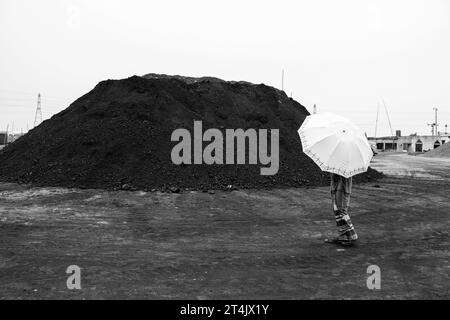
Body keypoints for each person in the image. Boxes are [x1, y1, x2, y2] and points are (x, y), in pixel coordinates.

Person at [325, 173, 358, 246]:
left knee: (342, 211)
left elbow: (346, 179)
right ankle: (343, 236)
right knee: (337, 211)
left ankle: (352, 236)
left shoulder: (347, 166)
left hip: (342, 189)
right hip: (336, 187)